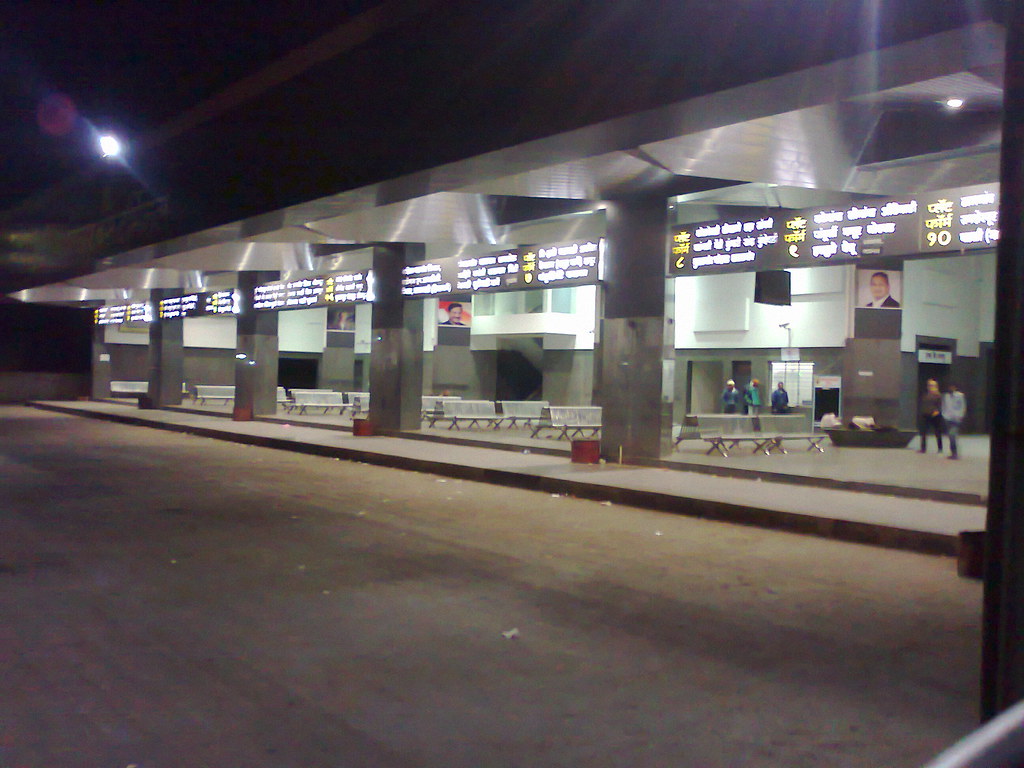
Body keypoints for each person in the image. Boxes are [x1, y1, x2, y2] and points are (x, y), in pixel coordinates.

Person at [918, 378, 944, 453]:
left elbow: (940, 406)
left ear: (936, 386)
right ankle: (923, 448)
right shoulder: (925, 395)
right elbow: (923, 404)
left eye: (933, 385)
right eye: (929, 385)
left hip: (935, 416)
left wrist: (936, 412)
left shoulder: (938, 395)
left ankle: (940, 448)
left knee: (937, 432)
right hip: (925, 415)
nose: (931, 386)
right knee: (924, 432)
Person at [942, 384, 966, 460]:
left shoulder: (960, 395)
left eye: (952, 387)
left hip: (956, 418)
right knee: (950, 436)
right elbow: (944, 405)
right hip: (948, 417)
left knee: (952, 435)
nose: (951, 388)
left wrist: (960, 416)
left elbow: (963, 406)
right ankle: (953, 452)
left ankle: (955, 453)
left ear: (955, 388)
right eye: (949, 387)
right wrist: (944, 414)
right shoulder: (946, 396)